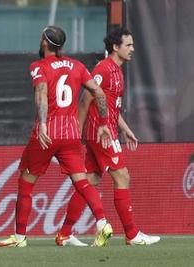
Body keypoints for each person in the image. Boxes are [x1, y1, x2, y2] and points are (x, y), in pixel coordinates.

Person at [0, 26, 114, 248]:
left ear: (44, 42)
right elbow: (98, 92)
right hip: (70, 134)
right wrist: (105, 124)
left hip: (47, 134)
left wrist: (41, 124)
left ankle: (20, 237)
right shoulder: (78, 66)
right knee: (82, 182)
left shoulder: (39, 67)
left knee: (26, 182)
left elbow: (41, 93)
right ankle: (102, 222)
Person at [56, 28, 160, 246]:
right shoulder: (103, 69)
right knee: (122, 176)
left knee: (90, 180)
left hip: (107, 130)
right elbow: (86, 99)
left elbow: (112, 108)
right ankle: (131, 234)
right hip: (101, 133)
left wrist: (125, 128)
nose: (132, 49)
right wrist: (77, 134)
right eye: (128, 45)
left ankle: (64, 233)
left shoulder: (118, 71)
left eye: (132, 45)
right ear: (115, 47)